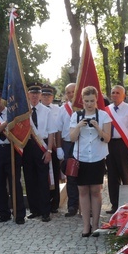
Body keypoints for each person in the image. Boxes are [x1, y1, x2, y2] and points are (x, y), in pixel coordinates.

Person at [69, 86, 111, 237]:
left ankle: (95, 225)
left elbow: (107, 138)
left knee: (95, 191)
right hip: (82, 158)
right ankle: (85, 225)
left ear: (96, 99)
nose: (89, 104)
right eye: (86, 101)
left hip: (97, 157)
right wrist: (79, 126)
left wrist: (98, 128)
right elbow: (72, 138)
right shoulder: (76, 116)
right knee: (83, 191)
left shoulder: (104, 116)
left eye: (92, 101)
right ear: (82, 101)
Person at [0, 89, 26, 225]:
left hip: (11, 150)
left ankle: (19, 213)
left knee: (15, 182)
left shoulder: (13, 113)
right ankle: (4, 212)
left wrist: (8, 123)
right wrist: (5, 124)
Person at [22, 83, 57, 222]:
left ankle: (45, 211)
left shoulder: (47, 111)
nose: (35, 96)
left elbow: (51, 133)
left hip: (41, 146)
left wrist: (49, 150)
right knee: (30, 179)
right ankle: (34, 209)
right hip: (27, 146)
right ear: (28, 95)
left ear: (41, 95)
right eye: (32, 93)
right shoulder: (24, 111)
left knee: (43, 180)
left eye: (37, 93)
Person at [105, 85, 128, 214]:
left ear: (123, 95)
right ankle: (115, 205)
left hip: (123, 145)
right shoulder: (107, 110)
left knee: (125, 175)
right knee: (112, 176)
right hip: (110, 144)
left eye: (117, 93)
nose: (114, 95)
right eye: (113, 92)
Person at [55, 83, 79, 217]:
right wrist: (59, 147)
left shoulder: (83, 107)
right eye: (68, 92)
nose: (71, 94)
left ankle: (86, 205)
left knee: (84, 176)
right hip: (68, 145)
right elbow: (58, 130)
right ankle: (72, 206)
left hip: (82, 144)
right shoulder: (62, 110)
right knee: (71, 176)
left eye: (73, 91)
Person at [41, 84, 62, 213]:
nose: (46, 97)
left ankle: (55, 203)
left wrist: (58, 147)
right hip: (41, 144)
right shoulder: (36, 109)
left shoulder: (58, 109)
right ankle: (43, 201)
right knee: (42, 175)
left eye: (48, 95)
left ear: (52, 97)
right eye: (44, 94)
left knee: (54, 173)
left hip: (54, 146)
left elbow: (59, 129)